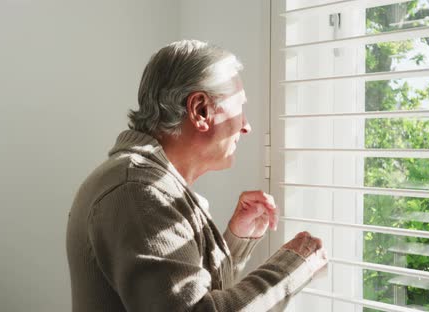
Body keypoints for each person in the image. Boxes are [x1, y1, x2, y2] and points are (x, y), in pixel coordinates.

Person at [66, 40, 327, 312]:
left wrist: (235, 240)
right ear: (200, 110)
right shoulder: (138, 191)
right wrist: (295, 264)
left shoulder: (142, 183)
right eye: (239, 108)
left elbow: (181, 295)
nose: (246, 126)